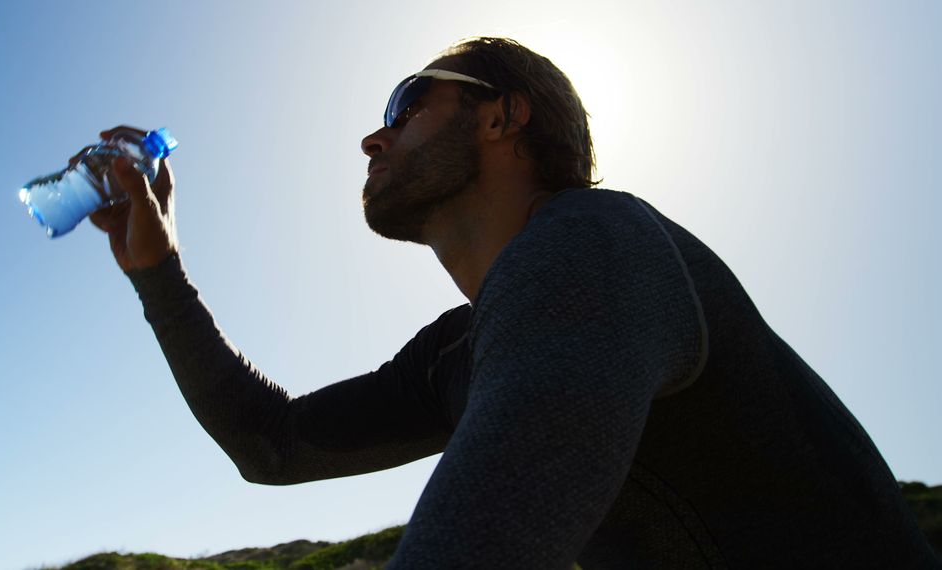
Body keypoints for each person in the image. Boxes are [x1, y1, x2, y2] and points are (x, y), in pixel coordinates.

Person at [88, 37, 939, 569]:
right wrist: (156, 270)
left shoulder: (596, 242)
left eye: (408, 104)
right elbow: (271, 445)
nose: (372, 136)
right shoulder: (464, 348)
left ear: (503, 118)